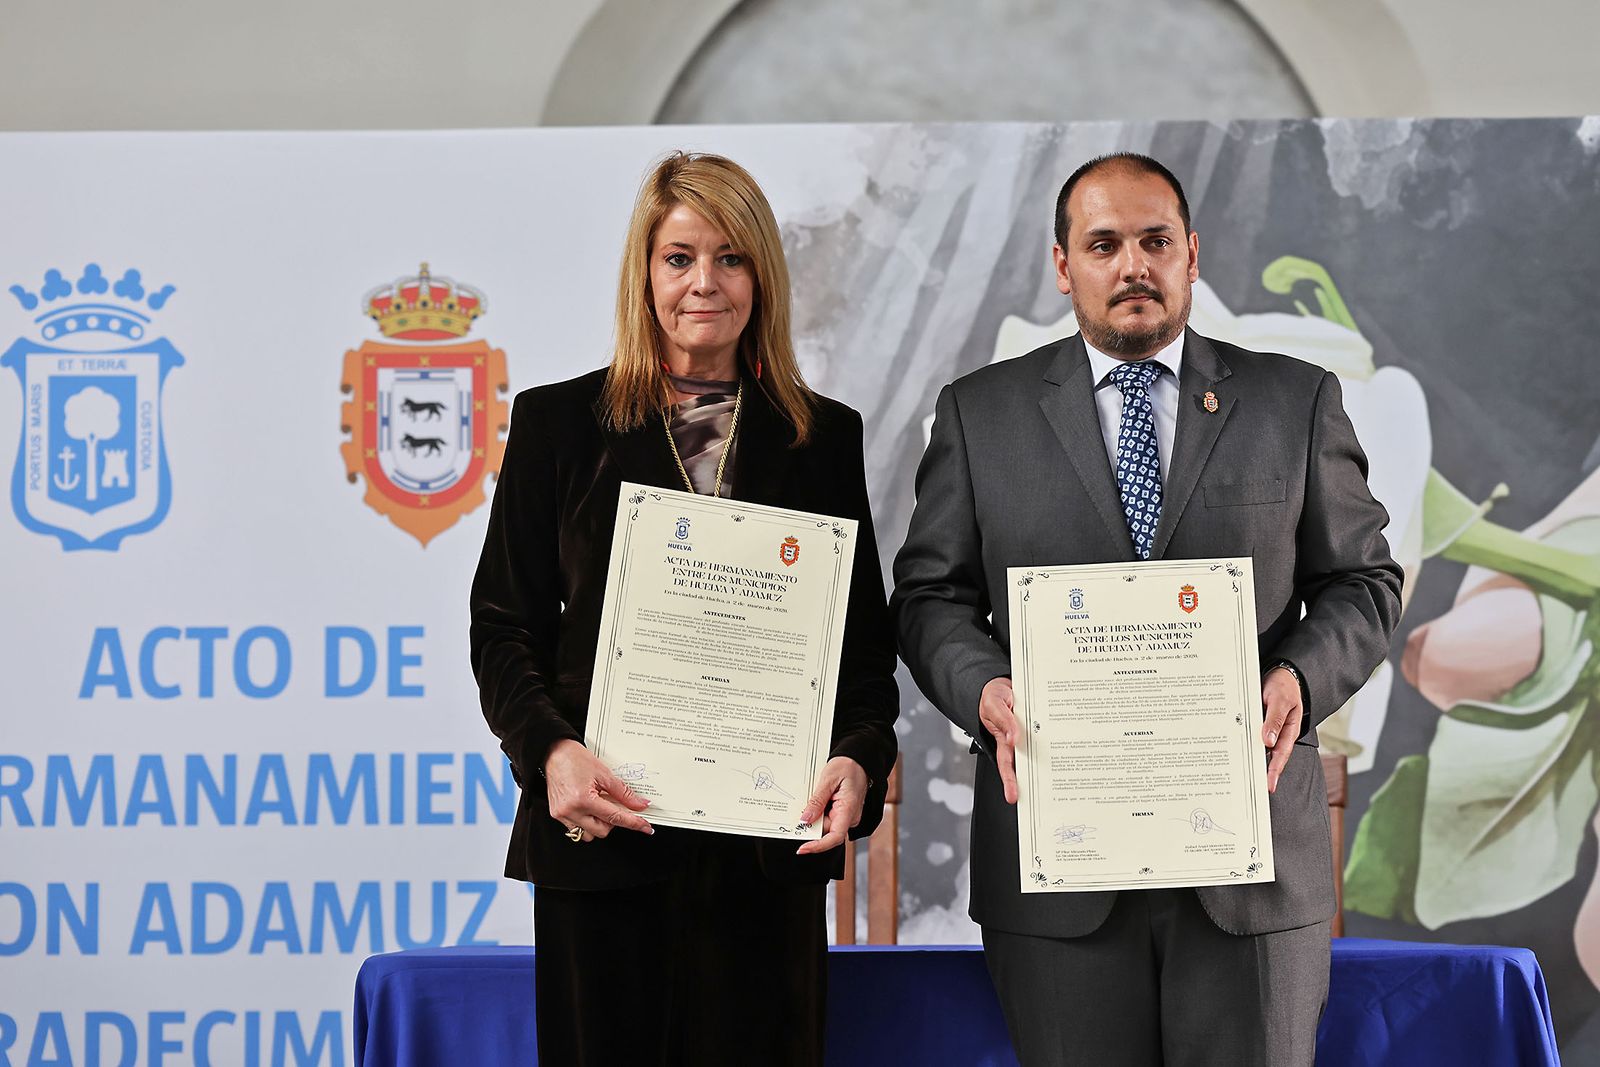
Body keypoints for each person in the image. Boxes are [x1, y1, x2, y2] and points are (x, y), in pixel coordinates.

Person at [891, 153, 1402, 1067]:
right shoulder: (980, 415)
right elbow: (930, 596)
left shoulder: (1295, 401)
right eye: (1104, 243)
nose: (1133, 265)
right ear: (1063, 266)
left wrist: (1296, 678)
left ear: (1192, 255)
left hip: (1249, 874)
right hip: (1059, 872)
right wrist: (986, 689)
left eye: (1155, 240)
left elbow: (1364, 580)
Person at [469, 151, 898, 1066]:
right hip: (605, 845)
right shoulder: (558, 425)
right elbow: (504, 626)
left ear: (763, 276)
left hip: (764, 865)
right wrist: (552, 752)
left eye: (732, 257)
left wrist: (858, 763)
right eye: (679, 257)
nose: (705, 281)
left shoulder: (822, 441)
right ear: (645, 271)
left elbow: (863, 658)